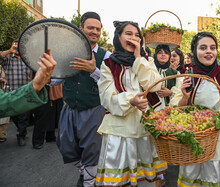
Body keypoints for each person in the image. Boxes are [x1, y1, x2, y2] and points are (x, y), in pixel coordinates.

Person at [95, 21, 167, 187]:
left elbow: (156, 86)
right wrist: (131, 100)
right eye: (129, 34)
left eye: (137, 35)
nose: (133, 38)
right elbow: (106, 97)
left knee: (146, 181)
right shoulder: (108, 65)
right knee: (120, 181)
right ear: (118, 37)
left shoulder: (147, 61)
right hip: (120, 132)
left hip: (145, 130)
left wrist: (138, 60)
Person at [176, 32, 220, 187]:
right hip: (193, 144)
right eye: (203, 48)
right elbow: (174, 113)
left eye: (212, 48)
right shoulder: (186, 77)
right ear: (195, 51)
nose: (209, 51)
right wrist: (185, 97)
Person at [56, 12, 111, 187]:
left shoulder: (107, 56)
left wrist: (93, 70)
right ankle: (86, 172)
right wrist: (47, 74)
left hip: (94, 109)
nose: (94, 31)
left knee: (92, 150)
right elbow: (57, 79)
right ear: (81, 29)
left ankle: (89, 182)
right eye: (90, 28)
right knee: (65, 146)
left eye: (98, 29)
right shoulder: (67, 53)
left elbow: (111, 85)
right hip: (70, 107)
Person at [0, 51, 57, 117]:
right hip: (12, 91)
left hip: (22, 93)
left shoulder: (27, 59)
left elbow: (4, 103)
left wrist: (36, 85)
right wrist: (35, 86)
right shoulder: (9, 59)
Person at [0, 40, 32, 146]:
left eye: (19, 46)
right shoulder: (8, 59)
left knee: (23, 116)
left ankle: (21, 136)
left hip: (24, 93)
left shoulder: (27, 60)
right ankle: (22, 130)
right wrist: (9, 51)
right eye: (15, 46)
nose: (17, 48)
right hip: (11, 93)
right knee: (14, 116)